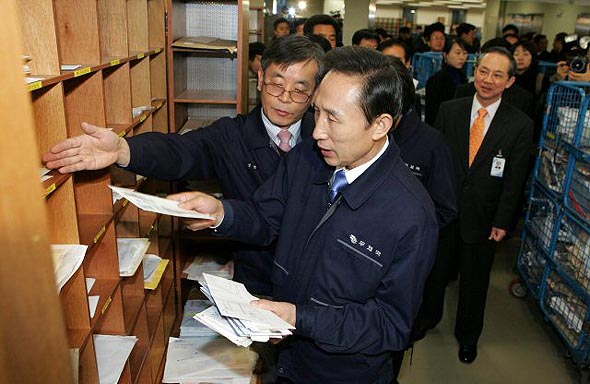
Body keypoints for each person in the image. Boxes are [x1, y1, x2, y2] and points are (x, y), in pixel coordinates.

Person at [170, 46, 438, 383]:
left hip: (341, 373)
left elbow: (389, 325)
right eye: (317, 112)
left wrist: (300, 319)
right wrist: (223, 213)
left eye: (333, 118)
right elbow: (266, 217)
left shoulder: (411, 216)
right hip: (285, 356)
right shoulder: (310, 158)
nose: (316, 131)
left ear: (380, 125)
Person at [42, 35, 326, 298]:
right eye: (277, 85)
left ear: (314, 94)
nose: (285, 98)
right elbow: (181, 151)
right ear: (261, 78)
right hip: (259, 283)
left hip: (316, 284)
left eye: (300, 90)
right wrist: (123, 149)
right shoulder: (232, 136)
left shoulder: (329, 141)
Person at [434, 46, 533, 364]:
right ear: (474, 72)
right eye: (483, 71)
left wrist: (503, 221)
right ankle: (426, 321)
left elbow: (515, 178)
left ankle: (467, 337)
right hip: (444, 211)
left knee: (475, 282)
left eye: (498, 75)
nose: (488, 80)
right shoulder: (450, 110)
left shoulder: (519, 123)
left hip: (485, 216)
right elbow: (435, 162)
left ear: (510, 82)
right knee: (433, 273)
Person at [386, 57, 458, 353]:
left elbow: (446, 207)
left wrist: (407, 241)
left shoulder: (431, 143)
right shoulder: (359, 136)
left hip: (406, 262)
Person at [425, 38, 469, 125]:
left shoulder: (463, 77)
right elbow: (432, 113)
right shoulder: (437, 80)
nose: (462, 57)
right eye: (457, 53)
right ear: (446, 55)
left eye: (464, 53)